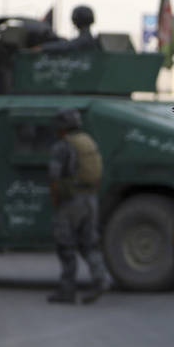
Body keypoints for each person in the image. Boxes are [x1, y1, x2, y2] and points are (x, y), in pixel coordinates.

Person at [47, 108, 111, 304]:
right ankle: (100, 279)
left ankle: (67, 290)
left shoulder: (63, 146)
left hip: (71, 200)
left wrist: (55, 198)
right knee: (89, 243)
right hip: (90, 198)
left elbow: (54, 177)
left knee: (65, 244)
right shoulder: (87, 141)